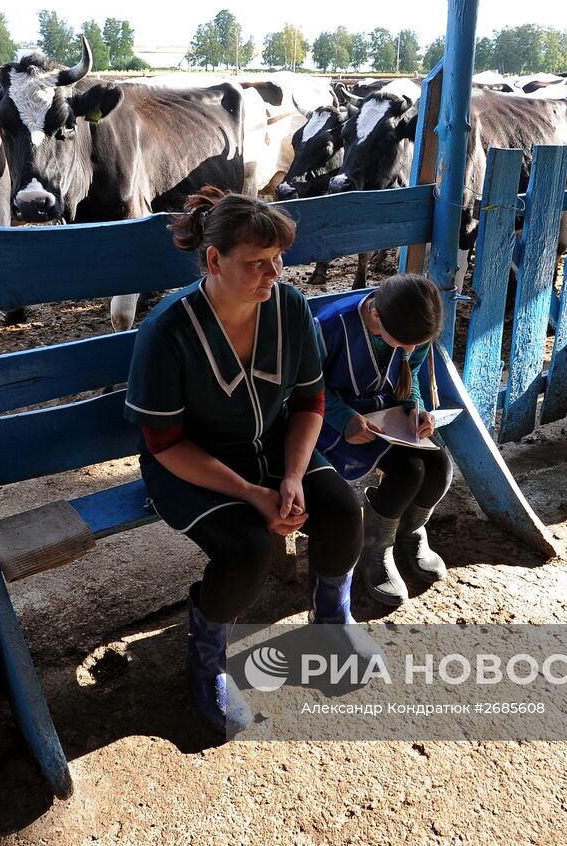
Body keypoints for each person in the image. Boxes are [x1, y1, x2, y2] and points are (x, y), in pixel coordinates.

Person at [124, 187, 370, 736]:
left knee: (341, 509)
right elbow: (165, 445)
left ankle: (332, 621)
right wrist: (253, 494)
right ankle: (207, 658)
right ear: (214, 260)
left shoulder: (290, 308)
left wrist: (289, 476)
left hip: (276, 450)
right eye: (257, 263)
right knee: (250, 549)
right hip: (192, 467)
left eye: (278, 259)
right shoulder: (168, 331)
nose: (273, 273)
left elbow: (310, 402)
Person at [313, 274, 454, 607]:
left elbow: (412, 376)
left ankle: (410, 533)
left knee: (439, 468)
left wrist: (415, 409)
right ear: (375, 315)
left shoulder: (411, 332)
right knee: (409, 472)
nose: (408, 350)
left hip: (385, 416)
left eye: (414, 344)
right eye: (402, 342)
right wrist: (344, 419)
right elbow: (307, 387)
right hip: (335, 420)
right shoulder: (329, 326)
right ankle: (376, 548)